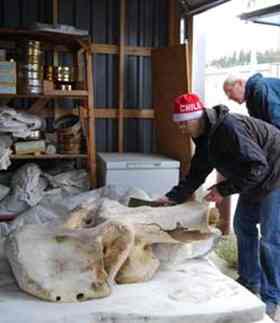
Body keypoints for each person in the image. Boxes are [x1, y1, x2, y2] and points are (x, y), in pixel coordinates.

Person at [157, 93, 280, 322]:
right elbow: (197, 173)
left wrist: (223, 189)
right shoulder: (204, 137)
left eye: (184, 123)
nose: (181, 128)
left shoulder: (229, 129)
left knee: (270, 239)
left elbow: (257, 165)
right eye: (178, 124)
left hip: (275, 174)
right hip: (255, 176)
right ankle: (248, 280)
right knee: (242, 226)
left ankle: (271, 296)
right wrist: (172, 197)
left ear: (198, 116)